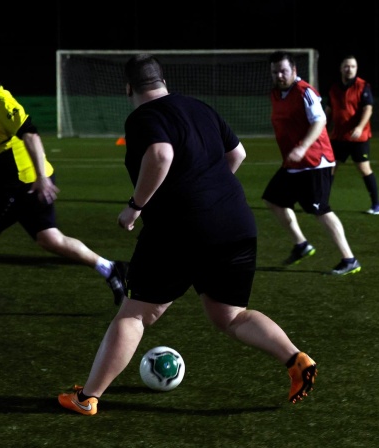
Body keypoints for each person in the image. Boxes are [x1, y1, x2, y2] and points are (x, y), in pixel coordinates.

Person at [57, 53, 317, 416]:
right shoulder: (199, 107)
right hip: (236, 223)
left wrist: (136, 205)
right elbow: (237, 153)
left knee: (135, 315)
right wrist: (210, 191)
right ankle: (296, 359)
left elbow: (161, 154)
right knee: (229, 315)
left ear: (129, 87)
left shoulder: (143, 117)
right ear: (162, 80)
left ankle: (87, 398)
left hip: (179, 230)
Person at [0, 57, 128, 315]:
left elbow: (31, 134)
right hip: (20, 184)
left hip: (20, 184)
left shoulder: (2, 102)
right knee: (50, 239)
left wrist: (40, 179)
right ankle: (110, 269)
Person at [262, 50, 361, 276]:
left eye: (283, 71)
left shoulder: (305, 91)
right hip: (294, 164)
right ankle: (301, 244)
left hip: (316, 162)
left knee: (320, 210)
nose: (279, 76)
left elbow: (320, 121)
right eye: (275, 72)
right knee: (274, 199)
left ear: (294, 70)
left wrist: (302, 147)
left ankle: (349, 258)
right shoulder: (276, 94)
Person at [324, 55, 379, 215]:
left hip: (359, 137)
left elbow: (368, 108)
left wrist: (359, 127)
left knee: (364, 168)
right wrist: (323, 128)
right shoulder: (334, 88)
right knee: (330, 168)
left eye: (352, 66)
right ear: (341, 69)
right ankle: (322, 202)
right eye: (346, 66)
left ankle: (377, 205)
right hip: (338, 137)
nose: (349, 69)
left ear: (356, 69)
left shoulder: (363, 86)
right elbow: (329, 110)